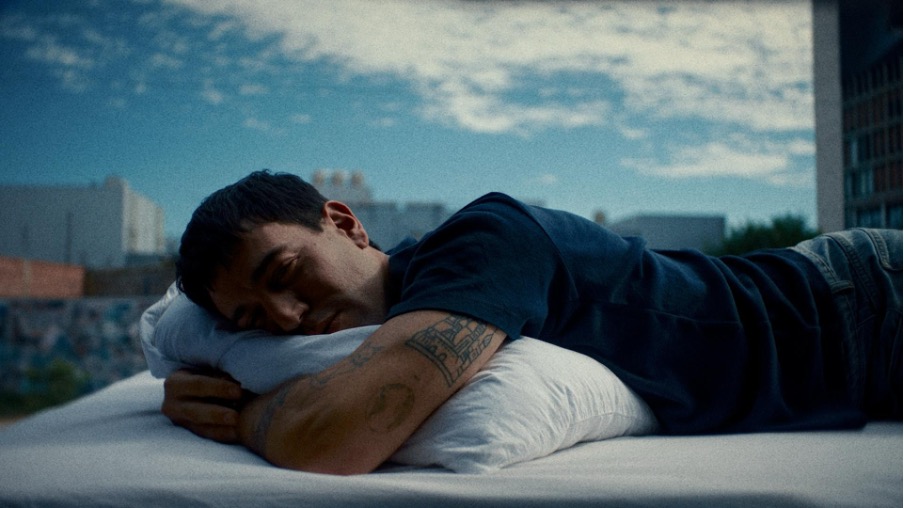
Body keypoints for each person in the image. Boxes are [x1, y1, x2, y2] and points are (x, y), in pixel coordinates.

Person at [162, 170, 902, 475]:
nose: (287, 320)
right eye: (253, 321)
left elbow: (339, 435)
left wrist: (240, 414)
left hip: (860, 302)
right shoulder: (385, 318)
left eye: (285, 274)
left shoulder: (481, 243)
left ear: (346, 223)